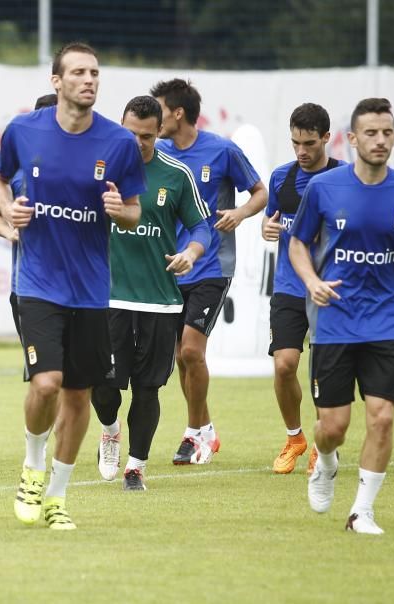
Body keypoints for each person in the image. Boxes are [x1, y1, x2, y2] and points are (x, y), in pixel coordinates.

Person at [0, 42, 145, 530]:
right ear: (56, 81)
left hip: (92, 289)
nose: (89, 80)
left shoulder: (118, 143)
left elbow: (134, 209)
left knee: (78, 397)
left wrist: (122, 212)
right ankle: (33, 464)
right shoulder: (23, 130)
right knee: (47, 383)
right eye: (78, 72)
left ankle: (57, 497)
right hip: (38, 283)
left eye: (95, 73)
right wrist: (9, 209)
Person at [289, 97, 394, 535]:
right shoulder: (325, 187)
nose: (380, 140)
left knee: (383, 415)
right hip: (335, 320)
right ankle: (326, 459)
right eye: (371, 133)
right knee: (333, 426)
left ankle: (362, 512)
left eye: (387, 132)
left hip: (388, 321)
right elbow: (298, 243)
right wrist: (312, 281)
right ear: (352, 139)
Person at [92, 96, 210, 491]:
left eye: (146, 135)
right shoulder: (99, 170)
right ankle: (110, 431)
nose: (138, 142)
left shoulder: (176, 174)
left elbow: (202, 228)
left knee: (147, 388)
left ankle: (136, 467)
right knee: (105, 387)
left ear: (159, 132)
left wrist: (191, 253)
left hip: (160, 300)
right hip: (108, 298)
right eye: (130, 134)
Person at [150, 78, 267, 464]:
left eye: (160, 110)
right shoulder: (159, 151)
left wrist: (239, 213)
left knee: (191, 350)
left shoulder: (222, 150)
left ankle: (194, 432)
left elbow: (260, 193)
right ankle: (205, 429)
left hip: (212, 265)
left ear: (177, 112)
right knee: (181, 357)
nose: (155, 117)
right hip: (170, 268)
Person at [261, 103, 343, 475]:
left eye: (309, 143)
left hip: (331, 289)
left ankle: (325, 443)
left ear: (327, 137)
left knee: (326, 374)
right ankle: (295, 438)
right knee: (284, 365)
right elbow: (271, 221)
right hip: (289, 286)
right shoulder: (281, 178)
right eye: (295, 143)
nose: (301, 151)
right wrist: (267, 229)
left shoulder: (345, 179)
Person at [0, 93, 57, 337]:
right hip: (26, 286)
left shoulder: (83, 167)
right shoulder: (16, 171)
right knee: (39, 366)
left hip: (73, 285)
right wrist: (10, 231)